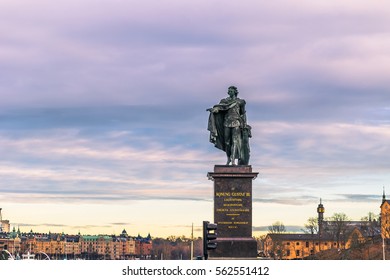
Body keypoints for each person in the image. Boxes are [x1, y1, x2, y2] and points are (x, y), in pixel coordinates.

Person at [207, 86, 251, 165]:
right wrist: (214, 110)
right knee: (227, 142)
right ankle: (228, 158)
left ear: (235, 92)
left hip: (236, 123)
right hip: (226, 123)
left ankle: (233, 160)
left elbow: (243, 114)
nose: (229, 92)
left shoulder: (240, 102)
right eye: (229, 91)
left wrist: (244, 125)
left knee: (235, 141)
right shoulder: (224, 101)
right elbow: (220, 108)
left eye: (231, 91)